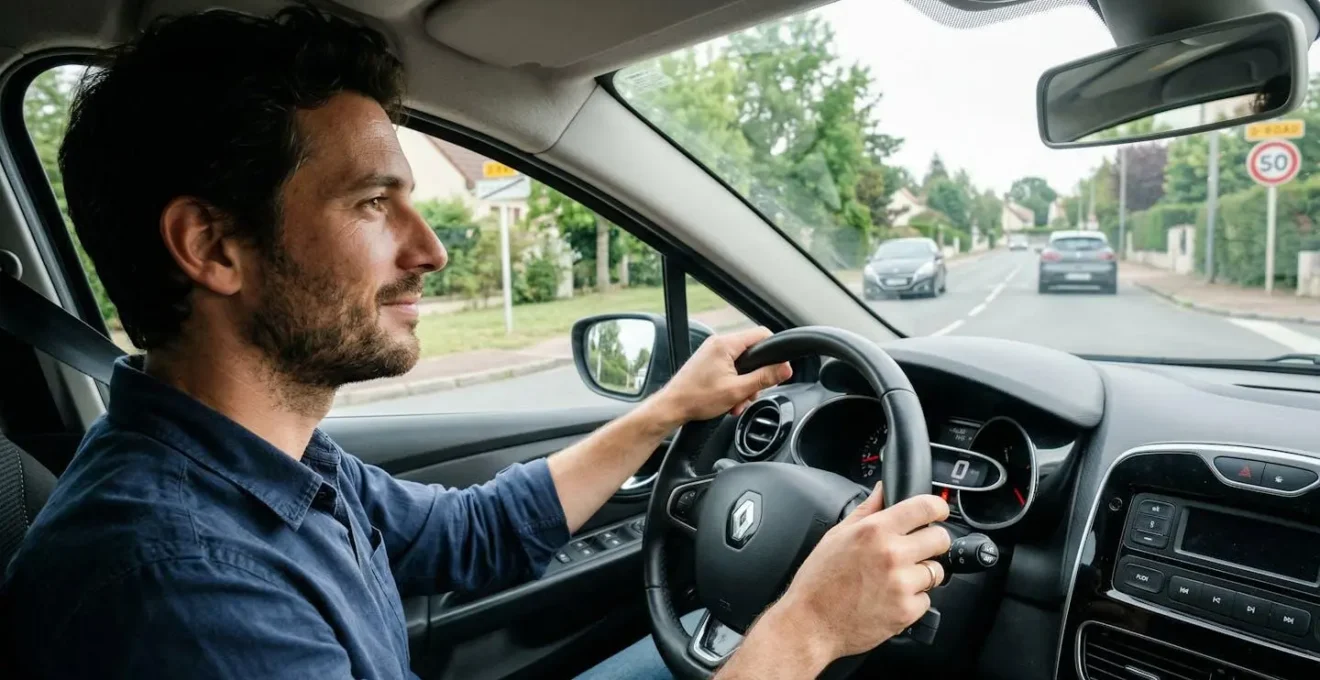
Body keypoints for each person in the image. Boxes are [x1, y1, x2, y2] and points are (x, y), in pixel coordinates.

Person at [0, 6, 950, 679]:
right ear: (213, 247)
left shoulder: (263, 460)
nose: (431, 249)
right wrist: (809, 630)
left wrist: (667, 411)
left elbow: (471, 536)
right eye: (374, 203)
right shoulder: (179, 591)